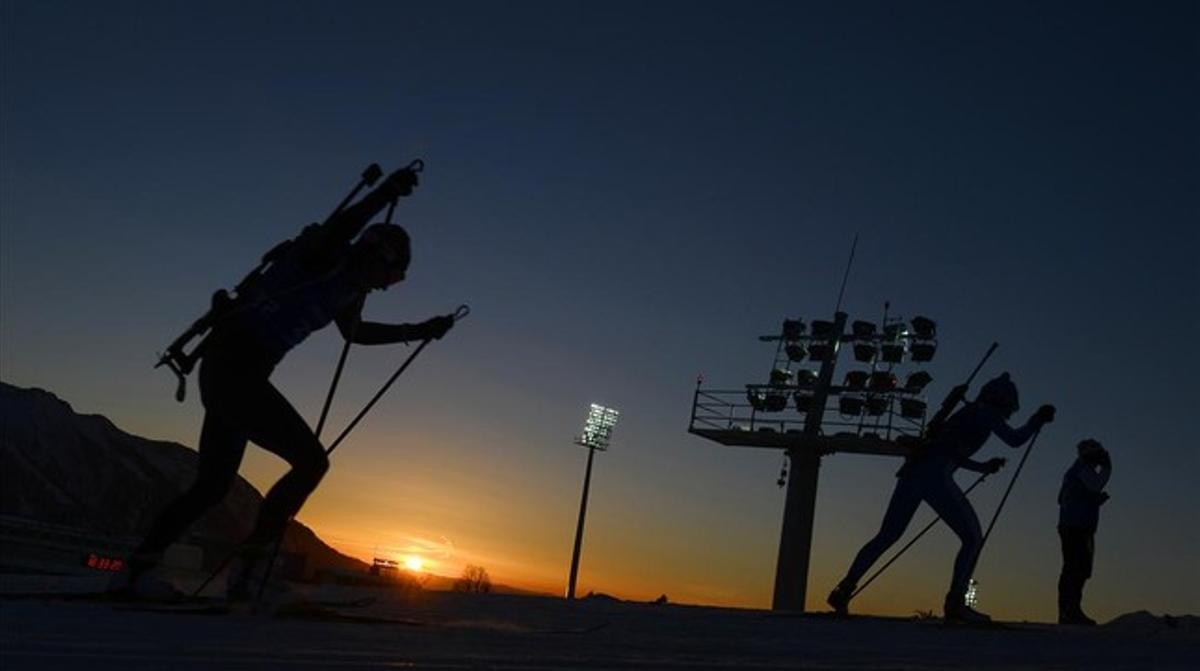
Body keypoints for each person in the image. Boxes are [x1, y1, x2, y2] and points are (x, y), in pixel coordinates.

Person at [118, 166, 455, 599]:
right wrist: (385, 192)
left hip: (232, 372)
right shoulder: (327, 257)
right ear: (378, 257)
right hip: (236, 365)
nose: (387, 288)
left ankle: (137, 570)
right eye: (391, 277)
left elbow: (356, 334)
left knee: (214, 484)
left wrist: (419, 330)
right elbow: (343, 226)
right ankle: (250, 575)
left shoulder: (347, 289)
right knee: (311, 462)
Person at [826, 372, 1055, 622]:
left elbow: (948, 451)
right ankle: (955, 603)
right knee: (972, 538)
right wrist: (1036, 421)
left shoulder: (964, 414)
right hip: (935, 478)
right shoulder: (986, 413)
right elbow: (1014, 440)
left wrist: (981, 467)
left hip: (912, 474)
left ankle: (844, 588)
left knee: (887, 535)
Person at [1056, 438, 1111, 625]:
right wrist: (1108, 468)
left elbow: (1076, 495)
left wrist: (1092, 500)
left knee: (1074, 567)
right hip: (1077, 526)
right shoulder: (1082, 469)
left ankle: (1069, 610)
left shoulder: (1076, 471)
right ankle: (1070, 611)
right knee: (1077, 568)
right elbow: (1097, 484)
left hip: (1075, 524)